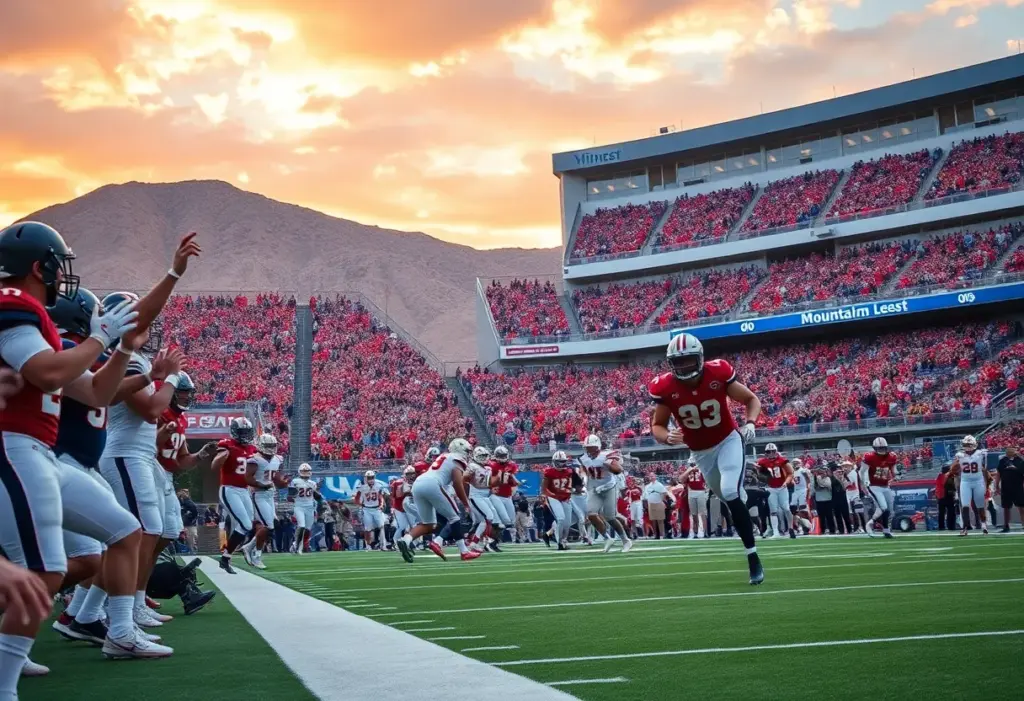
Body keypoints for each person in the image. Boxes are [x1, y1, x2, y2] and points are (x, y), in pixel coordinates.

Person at [0, 220, 171, 684]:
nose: (62, 275)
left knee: (122, 528)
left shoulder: (39, 321)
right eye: (58, 266)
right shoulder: (13, 305)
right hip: (13, 446)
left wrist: (119, 349)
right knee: (46, 569)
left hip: (41, 454)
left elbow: (95, 393)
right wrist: (99, 339)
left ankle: (118, 631)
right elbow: (48, 373)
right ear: (41, 266)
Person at [649, 333, 764, 584]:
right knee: (728, 497)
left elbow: (750, 399)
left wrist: (751, 424)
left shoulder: (718, 372)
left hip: (727, 440)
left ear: (700, 358)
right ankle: (746, 508)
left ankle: (753, 557)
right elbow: (657, 425)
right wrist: (667, 437)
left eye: (688, 360)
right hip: (700, 453)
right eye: (678, 362)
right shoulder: (665, 387)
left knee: (729, 491)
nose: (684, 367)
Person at [396, 438, 480, 563]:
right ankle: (464, 551)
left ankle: (406, 540)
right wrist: (465, 503)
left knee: (428, 524)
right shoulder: (457, 459)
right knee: (455, 517)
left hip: (418, 484)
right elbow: (458, 483)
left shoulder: (444, 456)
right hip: (432, 484)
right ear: (460, 449)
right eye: (467, 451)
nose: (468, 454)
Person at [212, 417, 259, 571]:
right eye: (242, 432)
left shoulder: (253, 449)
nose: (245, 435)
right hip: (229, 489)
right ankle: (226, 557)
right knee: (245, 524)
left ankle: (225, 558)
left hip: (244, 490)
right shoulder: (227, 445)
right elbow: (215, 465)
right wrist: (221, 458)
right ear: (234, 432)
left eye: (247, 432)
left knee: (248, 523)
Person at [578, 434, 631, 553]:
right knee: (591, 514)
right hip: (595, 489)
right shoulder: (584, 458)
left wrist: (610, 465)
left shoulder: (606, 456)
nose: (587, 449)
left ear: (597, 447)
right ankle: (607, 538)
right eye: (586, 447)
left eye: (590, 447)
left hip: (609, 488)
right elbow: (584, 471)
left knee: (610, 517)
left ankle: (625, 540)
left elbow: (619, 470)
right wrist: (583, 478)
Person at [241, 433, 286, 568]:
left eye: (272, 445)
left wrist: (283, 483)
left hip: (270, 495)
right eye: (268, 445)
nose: (271, 448)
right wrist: (262, 485)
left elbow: (276, 478)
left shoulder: (277, 459)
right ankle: (255, 554)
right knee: (268, 526)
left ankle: (250, 548)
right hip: (258, 495)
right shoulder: (255, 460)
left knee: (271, 526)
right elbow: (247, 478)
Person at [952, 435, 990, 536]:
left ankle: (983, 525)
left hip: (978, 481)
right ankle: (965, 527)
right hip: (965, 481)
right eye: (966, 445)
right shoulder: (959, 455)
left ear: (974, 445)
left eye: (969, 444)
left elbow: (985, 467)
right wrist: (956, 466)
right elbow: (953, 469)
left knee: (980, 505)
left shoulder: (980, 453)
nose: (967, 447)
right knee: (965, 505)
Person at [465, 446, 501, 552]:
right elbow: (465, 480)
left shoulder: (488, 468)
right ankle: (476, 542)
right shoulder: (472, 466)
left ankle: (474, 541)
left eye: (484, 456)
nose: (483, 458)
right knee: (488, 517)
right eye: (481, 456)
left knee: (485, 520)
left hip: (484, 497)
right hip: (475, 496)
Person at [860, 437, 896, 538]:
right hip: (874, 486)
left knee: (889, 510)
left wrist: (898, 475)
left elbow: (894, 470)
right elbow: (862, 471)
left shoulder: (891, 457)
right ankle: (870, 523)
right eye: (879, 448)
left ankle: (886, 530)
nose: (882, 451)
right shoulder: (869, 457)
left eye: (883, 448)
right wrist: (864, 484)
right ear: (875, 448)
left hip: (885, 485)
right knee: (883, 507)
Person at [756, 443, 794, 538]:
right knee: (773, 510)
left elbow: (790, 473)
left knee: (786, 508)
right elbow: (758, 474)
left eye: (773, 451)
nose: (771, 453)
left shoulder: (782, 460)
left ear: (776, 451)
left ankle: (791, 528)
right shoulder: (762, 462)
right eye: (769, 451)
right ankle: (776, 532)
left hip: (782, 487)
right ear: (766, 453)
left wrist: (786, 482)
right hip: (770, 488)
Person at [542, 450, 575, 550]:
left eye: (563, 461)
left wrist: (569, 492)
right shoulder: (549, 472)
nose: (562, 463)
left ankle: (564, 540)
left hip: (565, 497)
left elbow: (569, 486)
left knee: (567, 523)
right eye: (559, 461)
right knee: (560, 519)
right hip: (553, 497)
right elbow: (544, 488)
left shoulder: (569, 471)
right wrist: (553, 495)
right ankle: (559, 542)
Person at [289, 462, 321, 555]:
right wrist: (292, 495)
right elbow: (289, 496)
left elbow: (316, 496)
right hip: (299, 506)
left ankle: (296, 544)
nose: (305, 473)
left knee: (307, 529)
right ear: (299, 471)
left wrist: (318, 494)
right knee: (301, 526)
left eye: (307, 471)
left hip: (310, 507)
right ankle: (297, 548)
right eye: (304, 471)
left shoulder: (313, 483)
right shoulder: (295, 481)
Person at [487, 445, 518, 539]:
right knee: (503, 520)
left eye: (504, 455)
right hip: (496, 495)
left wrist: (513, 490)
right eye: (500, 455)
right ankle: (492, 539)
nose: (503, 457)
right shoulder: (491, 465)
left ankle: (495, 539)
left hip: (507, 495)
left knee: (511, 521)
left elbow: (513, 481)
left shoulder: (511, 465)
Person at [355, 470, 388, 550]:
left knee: (381, 526)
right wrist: (360, 504)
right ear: (366, 478)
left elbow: (380, 496)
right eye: (369, 478)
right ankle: (368, 545)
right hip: (366, 509)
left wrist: (381, 504)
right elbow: (356, 498)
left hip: (376, 508)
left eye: (372, 477)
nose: (371, 479)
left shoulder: (378, 485)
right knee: (367, 528)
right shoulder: (362, 487)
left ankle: (383, 545)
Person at [996, 446, 1024, 532]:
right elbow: (998, 474)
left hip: (1018, 487)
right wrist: (996, 485)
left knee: (1021, 506)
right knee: (1006, 507)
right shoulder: (1003, 461)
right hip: (1006, 487)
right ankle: (1006, 525)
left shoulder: (1020, 461)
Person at [680, 457, 708, 539]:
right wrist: (689, 470)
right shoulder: (688, 471)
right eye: (691, 463)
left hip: (701, 491)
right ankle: (695, 532)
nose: (693, 465)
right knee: (694, 514)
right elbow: (681, 479)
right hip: (691, 492)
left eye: (694, 463)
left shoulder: (702, 469)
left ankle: (705, 532)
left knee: (703, 513)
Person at [642, 474, 669, 539]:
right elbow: (644, 496)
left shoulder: (659, 485)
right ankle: (655, 535)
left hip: (659, 503)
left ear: (655, 477)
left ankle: (662, 535)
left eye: (652, 476)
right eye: (650, 476)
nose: (651, 477)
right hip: (651, 504)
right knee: (653, 521)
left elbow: (664, 493)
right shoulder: (647, 486)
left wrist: (661, 500)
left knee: (660, 520)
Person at [936, 466, 957, 531]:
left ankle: (941, 526)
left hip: (940, 497)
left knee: (941, 513)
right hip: (948, 496)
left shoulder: (939, 476)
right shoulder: (949, 477)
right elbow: (953, 486)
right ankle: (951, 526)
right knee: (951, 512)